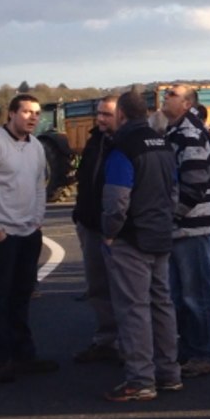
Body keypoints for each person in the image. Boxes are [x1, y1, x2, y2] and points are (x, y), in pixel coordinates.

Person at [0, 93, 58, 383]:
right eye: (27, 112)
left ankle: (23, 355)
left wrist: (37, 219)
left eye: (36, 113)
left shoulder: (37, 148)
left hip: (28, 233)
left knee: (21, 297)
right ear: (11, 114)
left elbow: (39, 185)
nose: (33, 117)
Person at [100, 91, 182, 401]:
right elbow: (173, 191)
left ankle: (140, 379)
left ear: (121, 114)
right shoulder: (162, 144)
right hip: (160, 234)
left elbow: (117, 200)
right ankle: (169, 373)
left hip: (132, 238)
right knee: (162, 304)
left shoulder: (123, 147)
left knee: (133, 309)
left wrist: (110, 232)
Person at [160, 84, 210, 378]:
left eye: (171, 94)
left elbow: (195, 183)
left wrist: (173, 215)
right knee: (179, 295)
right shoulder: (173, 132)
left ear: (186, 104)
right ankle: (188, 351)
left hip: (192, 229)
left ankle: (203, 353)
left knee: (196, 296)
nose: (164, 97)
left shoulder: (189, 134)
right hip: (182, 229)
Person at [71, 95, 121, 365]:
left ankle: (129, 342)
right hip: (90, 225)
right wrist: (79, 214)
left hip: (118, 231)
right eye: (99, 114)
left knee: (125, 289)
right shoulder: (95, 141)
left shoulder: (126, 144)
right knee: (97, 286)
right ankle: (106, 339)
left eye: (107, 114)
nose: (100, 119)